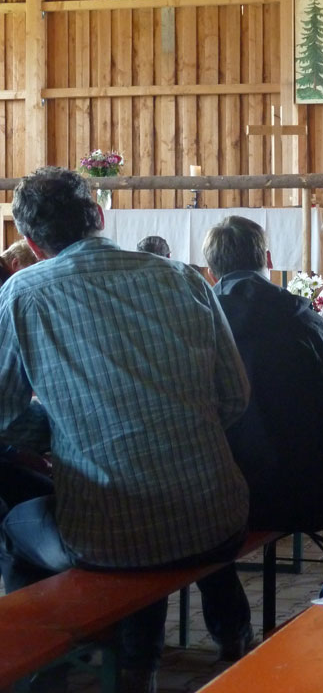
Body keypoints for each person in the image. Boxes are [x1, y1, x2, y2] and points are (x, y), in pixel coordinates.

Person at [0, 167, 252, 693]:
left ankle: (54, 665)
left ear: (30, 243)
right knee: (156, 494)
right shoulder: (182, 276)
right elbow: (235, 396)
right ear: (99, 216)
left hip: (107, 541)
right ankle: (227, 638)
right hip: (218, 519)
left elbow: (2, 418)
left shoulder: (22, 293)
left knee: (18, 524)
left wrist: (57, 427)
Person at [202, 215, 323, 534]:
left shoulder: (198, 326)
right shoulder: (304, 320)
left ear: (211, 273)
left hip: (218, 494)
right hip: (300, 489)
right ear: (268, 259)